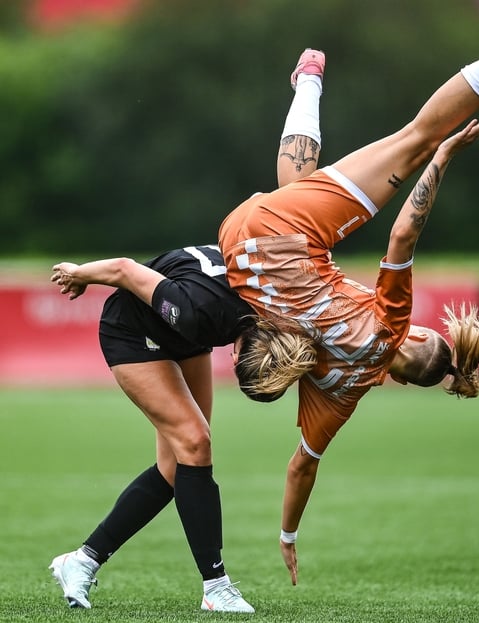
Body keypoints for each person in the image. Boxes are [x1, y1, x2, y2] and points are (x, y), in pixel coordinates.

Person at [217, 14, 479, 584]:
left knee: (417, 138)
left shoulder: (391, 325)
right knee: (296, 189)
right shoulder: (341, 396)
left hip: (285, 230)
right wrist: (287, 535)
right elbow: (301, 469)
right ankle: (308, 81)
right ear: (395, 381)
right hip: (235, 249)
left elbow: (401, 237)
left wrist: (441, 159)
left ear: (420, 334)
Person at [47, 48, 329, 613]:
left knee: (178, 462)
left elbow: (280, 194)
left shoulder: (268, 291)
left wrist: (307, 89)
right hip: (133, 332)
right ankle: (216, 588)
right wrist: (80, 273)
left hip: (184, 333)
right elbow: (127, 272)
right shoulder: (203, 311)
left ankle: (81, 561)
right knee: (196, 443)